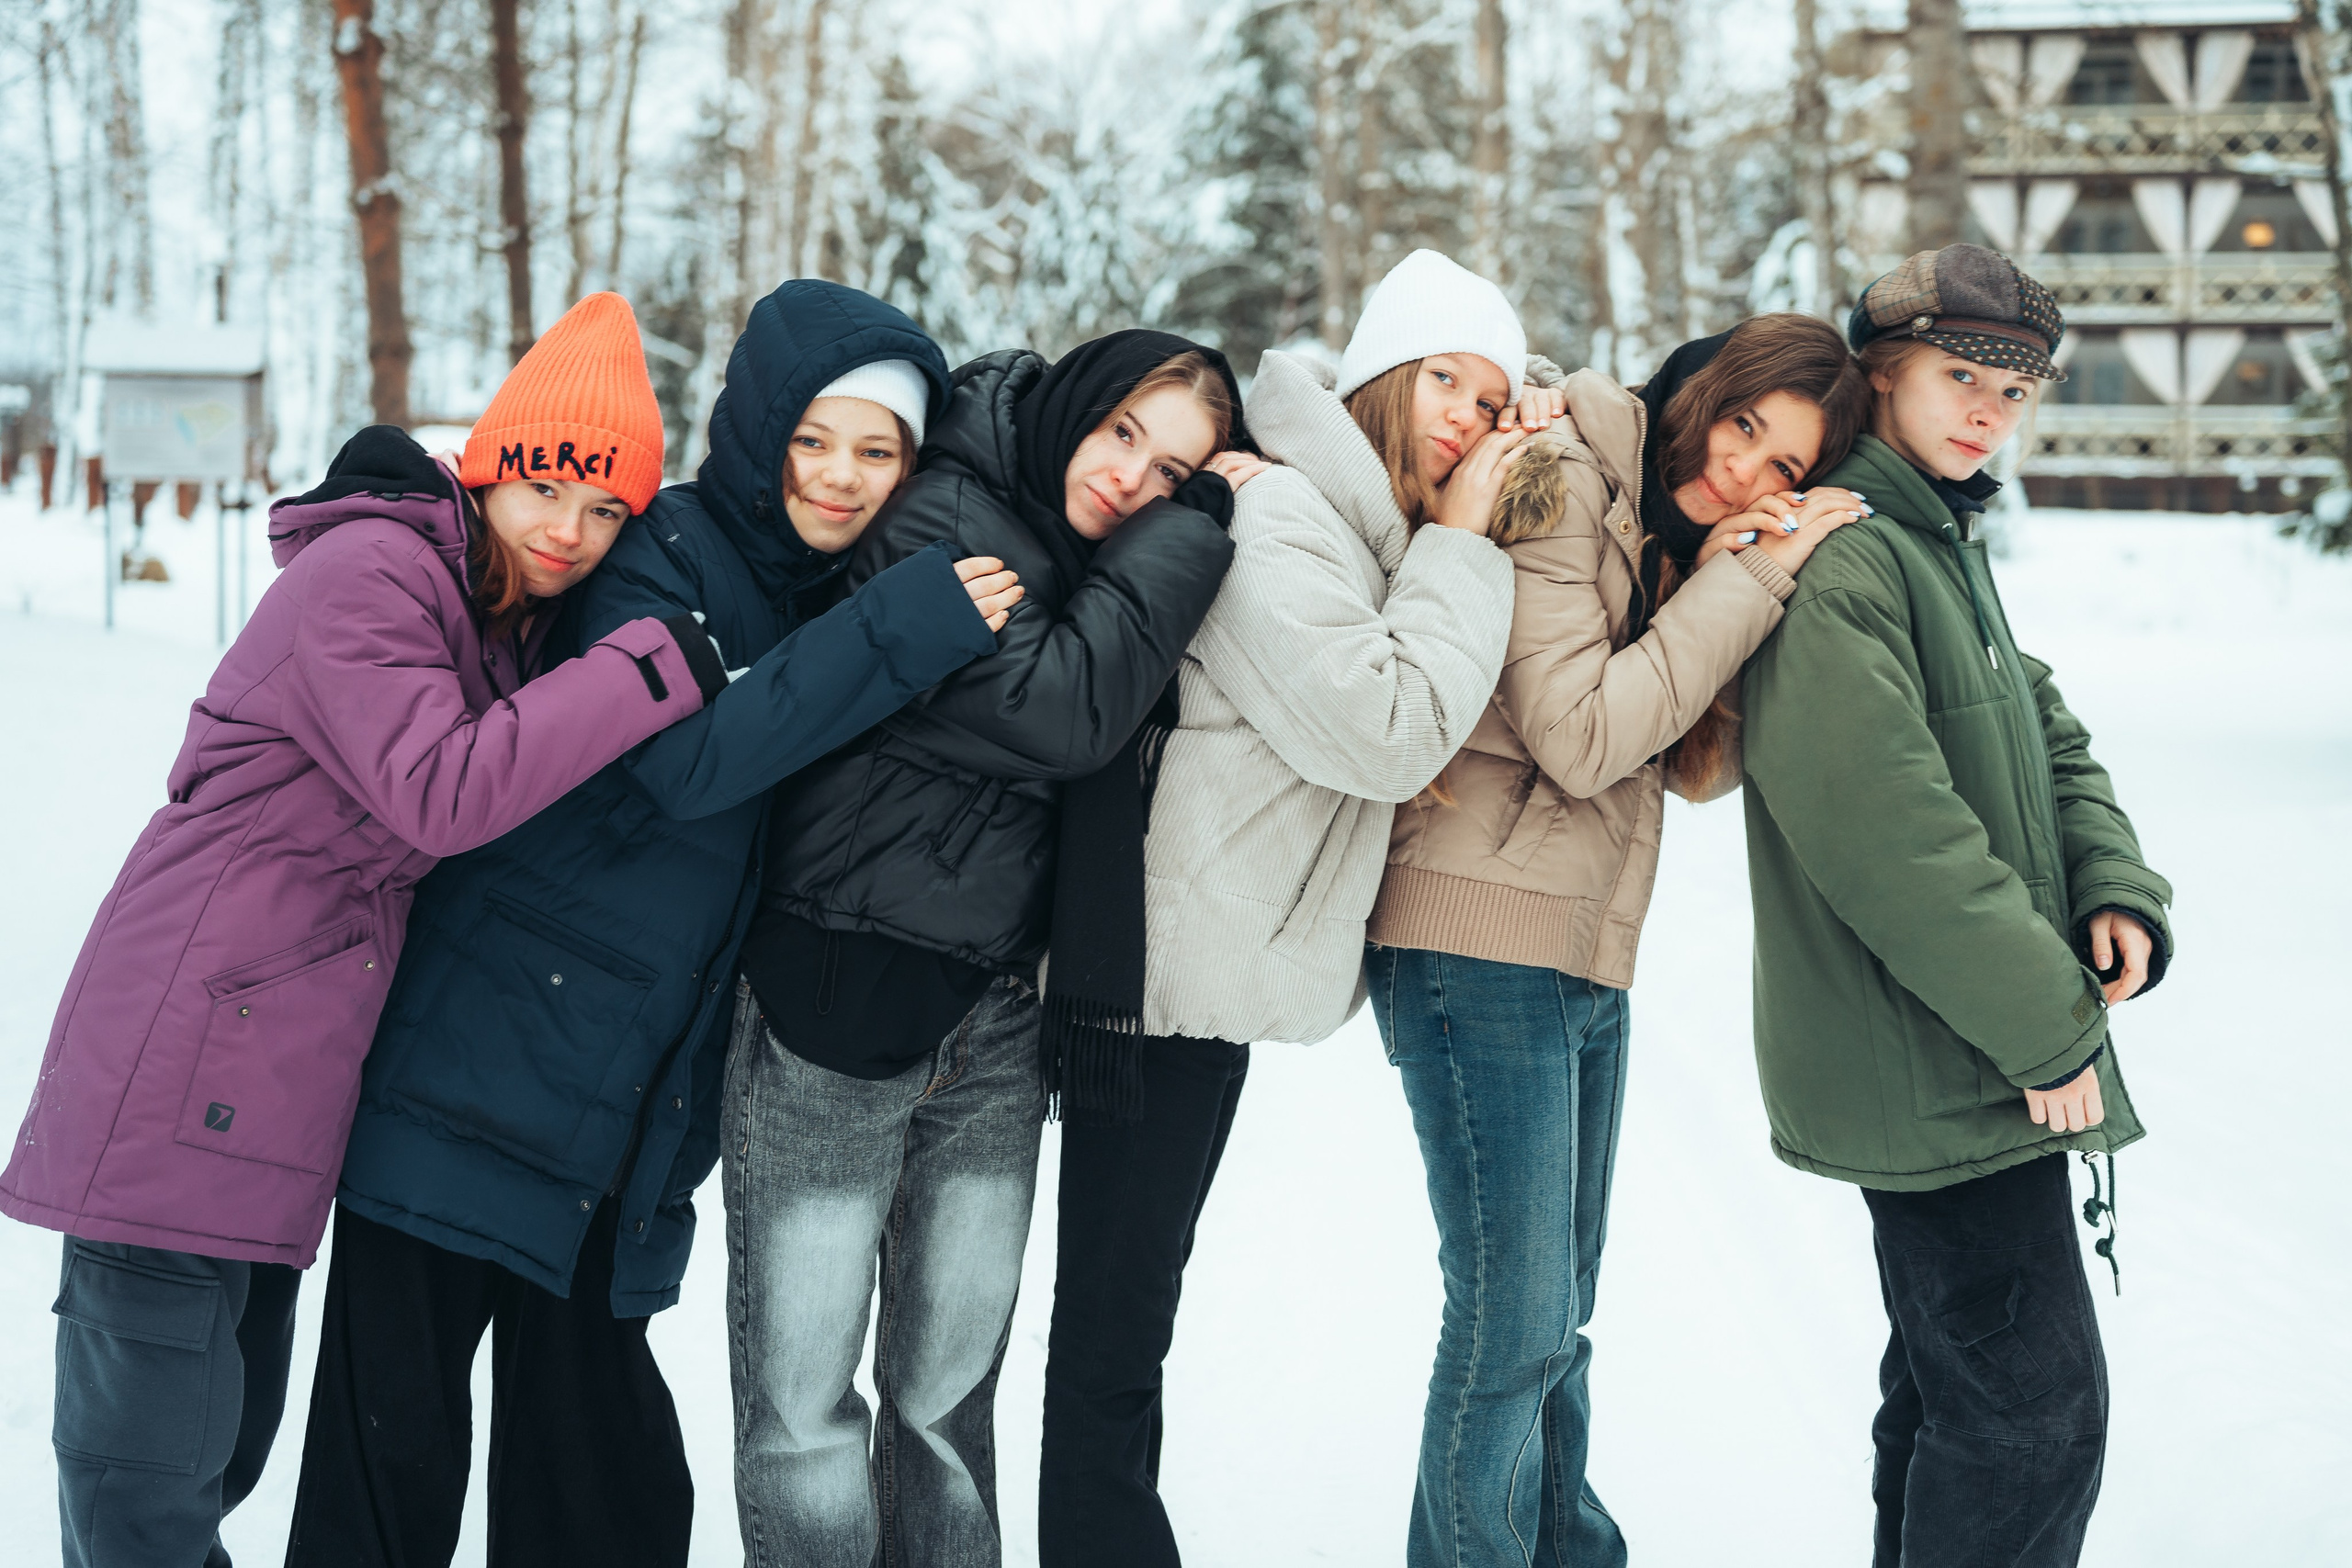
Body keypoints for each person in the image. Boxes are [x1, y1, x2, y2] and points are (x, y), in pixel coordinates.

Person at [285, 281, 1017, 1568]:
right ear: (759, 429)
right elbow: (685, 762)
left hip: (617, 1123)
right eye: (814, 439)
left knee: (603, 1495)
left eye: (878, 451)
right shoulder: (660, 554)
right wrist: (898, 629)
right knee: (387, 1477)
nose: (842, 478)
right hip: (473, 1073)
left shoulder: (824, 587)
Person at [0, 292, 728, 1568]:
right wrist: (643, 670)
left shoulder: (490, 620)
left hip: (272, 1099)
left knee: (214, 1458)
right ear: (491, 467)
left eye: (607, 510)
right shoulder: (373, 573)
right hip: (182, 1065)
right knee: (143, 1496)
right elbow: (441, 790)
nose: (573, 530)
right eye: (552, 485)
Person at [1035, 249, 1551, 1566]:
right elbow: (1388, 731)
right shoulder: (1281, 519)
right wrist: (1459, 541)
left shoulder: (1338, 511)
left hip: (1188, 966)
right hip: (1155, 975)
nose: (1468, 417)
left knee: (1123, 1320)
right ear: (1379, 373)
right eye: (1444, 377)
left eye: (1493, 402)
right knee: (1110, 1334)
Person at [1361, 311, 1871, 1567]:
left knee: (1554, 1320)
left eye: (1787, 472)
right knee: (1513, 1322)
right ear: (1698, 388)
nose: (1748, 473)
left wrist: (1734, 580)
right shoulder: (1564, 476)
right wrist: (1745, 580)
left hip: (1579, 949)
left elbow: (1689, 762)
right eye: (1744, 425)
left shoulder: (1662, 532)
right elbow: (1583, 738)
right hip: (1477, 941)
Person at [736, 330, 1247, 1567]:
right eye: (1123, 432)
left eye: (1175, 474)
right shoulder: (942, 519)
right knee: (805, 1415)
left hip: (996, 1025)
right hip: (831, 1001)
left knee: (947, 1412)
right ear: (1073, 403)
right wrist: (1200, 528)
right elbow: (1065, 711)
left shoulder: (1083, 566)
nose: (1134, 480)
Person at [1739, 244, 2173, 1568]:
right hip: (1939, 1062)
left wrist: (2114, 885)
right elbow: (1892, 842)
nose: (1994, 409)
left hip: (1963, 1050)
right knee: (2035, 1419)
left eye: (2020, 387)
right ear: (1881, 375)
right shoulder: (1851, 561)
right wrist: (2052, 1030)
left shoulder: (1934, 539)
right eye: (1962, 375)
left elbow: (2049, 736)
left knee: (1950, 1398)